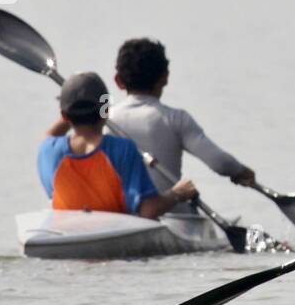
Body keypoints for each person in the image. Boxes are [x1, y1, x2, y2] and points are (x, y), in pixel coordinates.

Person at [107, 38, 255, 210]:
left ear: (118, 81)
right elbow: (220, 163)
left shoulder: (104, 121)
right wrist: (240, 172)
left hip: (121, 218)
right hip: (173, 215)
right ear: (165, 77)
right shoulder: (175, 119)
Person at [39, 72, 197, 218]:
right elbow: (148, 210)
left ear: (64, 116)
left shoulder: (48, 150)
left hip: (68, 233)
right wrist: (178, 193)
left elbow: (49, 136)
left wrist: (71, 108)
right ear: (106, 109)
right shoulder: (122, 149)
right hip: (115, 235)